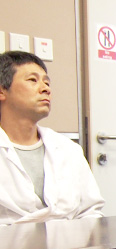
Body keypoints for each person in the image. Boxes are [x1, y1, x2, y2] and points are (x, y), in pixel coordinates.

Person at [0, 51, 104, 224]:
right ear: (2, 91)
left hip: (69, 247)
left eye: (47, 82)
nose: (45, 88)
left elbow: (91, 211)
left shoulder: (68, 149)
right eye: (33, 80)